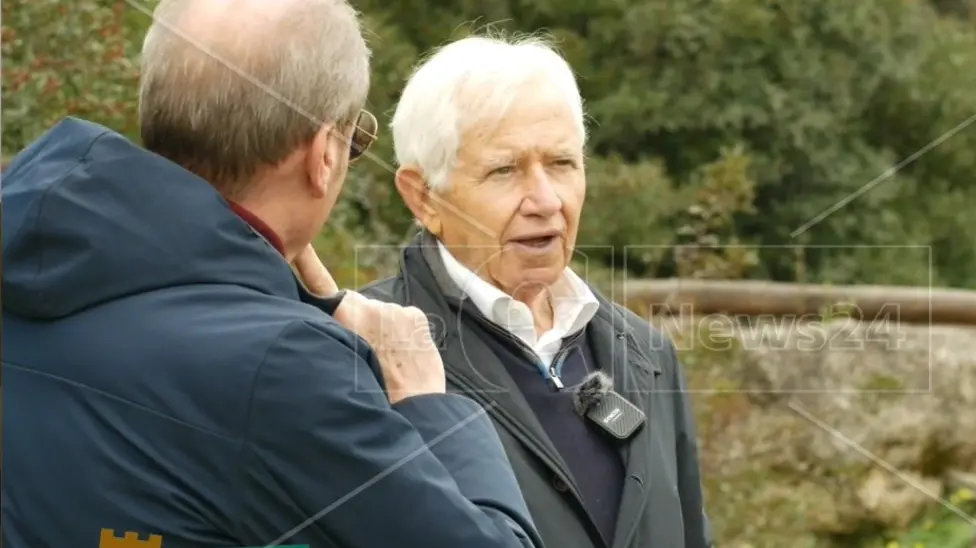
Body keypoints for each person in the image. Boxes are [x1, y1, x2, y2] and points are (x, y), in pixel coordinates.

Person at [0, 1, 542, 547]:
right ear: (324, 154)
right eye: (356, 140)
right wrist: (426, 399)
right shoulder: (282, 368)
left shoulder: (24, 267)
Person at [345, 34, 714, 548]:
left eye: (562, 164)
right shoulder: (359, 355)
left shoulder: (648, 352)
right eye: (505, 170)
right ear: (424, 197)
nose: (546, 200)